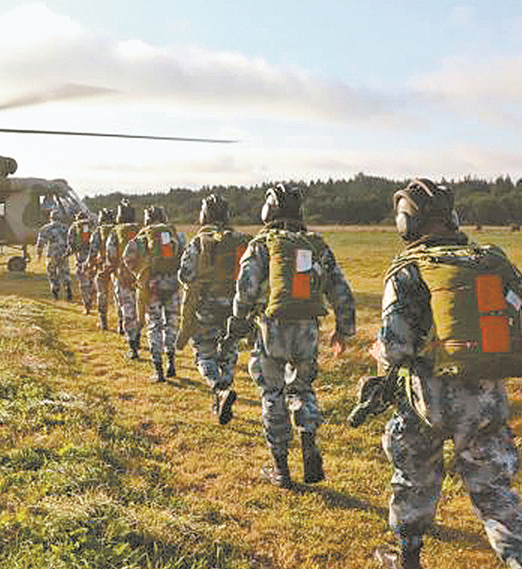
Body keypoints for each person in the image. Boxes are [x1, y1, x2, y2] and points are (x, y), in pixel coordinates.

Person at [370, 179, 522, 569]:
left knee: (414, 477)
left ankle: (409, 561)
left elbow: (395, 349)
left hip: (426, 402)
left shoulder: (407, 271)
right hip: (485, 399)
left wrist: (379, 352)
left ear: (406, 223)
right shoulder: (491, 262)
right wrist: (492, 354)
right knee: (495, 492)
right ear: (454, 217)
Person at [230, 183, 356, 487]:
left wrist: (238, 319)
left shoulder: (262, 244)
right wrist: (344, 329)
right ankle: (308, 437)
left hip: (272, 327)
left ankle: (280, 467)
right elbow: (341, 290)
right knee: (301, 388)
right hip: (308, 327)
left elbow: (245, 287)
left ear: (268, 210)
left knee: (272, 393)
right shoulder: (316, 245)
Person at [178, 193, 251, 423]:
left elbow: (185, 274)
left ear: (204, 215)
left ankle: (218, 388)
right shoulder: (240, 241)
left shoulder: (199, 242)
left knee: (204, 353)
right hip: (235, 306)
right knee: (228, 351)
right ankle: (224, 390)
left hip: (206, 306)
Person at [124, 205, 186, 383]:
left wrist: (140, 272)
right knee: (172, 323)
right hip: (172, 284)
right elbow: (184, 255)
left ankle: (158, 369)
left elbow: (127, 258)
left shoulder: (142, 237)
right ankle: (171, 362)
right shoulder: (175, 234)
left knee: (154, 325)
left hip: (151, 287)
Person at [106, 200, 143, 358]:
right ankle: (139, 337)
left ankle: (132, 347)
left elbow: (111, 253)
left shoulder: (116, 232)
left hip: (123, 277)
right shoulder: (142, 230)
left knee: (128, 311)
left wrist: (112, 268)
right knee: (140, 310)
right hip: (142, 277)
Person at [35, 207, 72, 300]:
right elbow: (71, 241)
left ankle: (55, 292)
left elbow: (40, 243)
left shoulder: (45, 228)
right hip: (64, 253)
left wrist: (39, 254)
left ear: (51, 217)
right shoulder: (66, 228)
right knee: (65, 271)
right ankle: (68, 289)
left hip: (52, 253)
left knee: (52, 272)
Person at [90, 209, 116, 330]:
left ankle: (103, 321)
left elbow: (93, 250)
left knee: (102, 293)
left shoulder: (98, 232)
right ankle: (122, 323)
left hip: (104, 267)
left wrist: (90, 264)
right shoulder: (118, 230)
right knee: (120, 295)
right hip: (119, 267)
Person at [69, 210, 97, 314]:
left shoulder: (74, 227)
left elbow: (70, 243)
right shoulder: (92, 226)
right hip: (94, 258)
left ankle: (87, 306)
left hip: (81, 259)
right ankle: (93, 298)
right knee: (93, 281)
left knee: (83, 284)